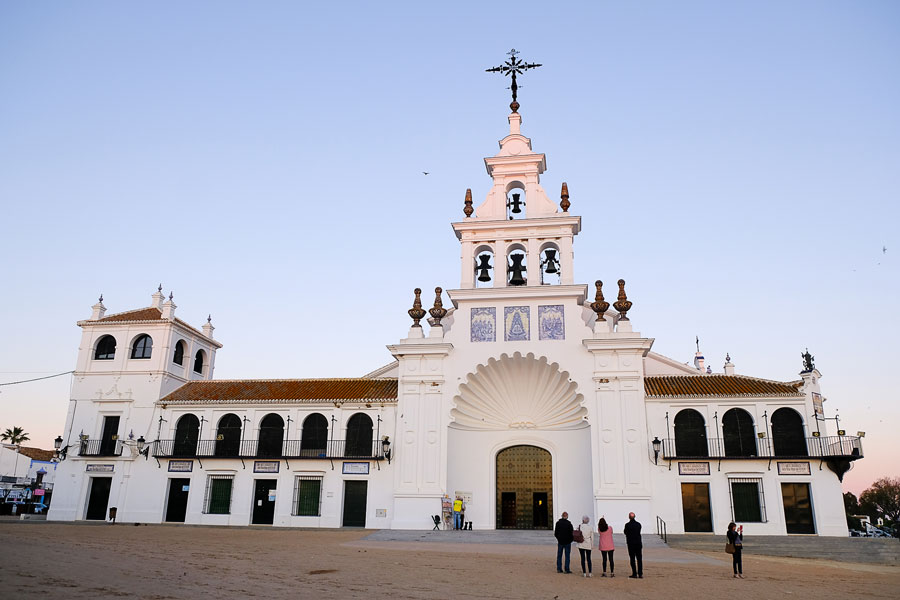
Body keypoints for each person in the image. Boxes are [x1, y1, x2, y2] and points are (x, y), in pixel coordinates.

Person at [623, 512, 643, 578]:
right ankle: (640, 573)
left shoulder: (627, 525)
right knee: (639, 559)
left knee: (632, 559)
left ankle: (634, 573)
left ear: (629, 517)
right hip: (638, 543)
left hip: (631, 543)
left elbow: (625, 532)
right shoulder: (638, 524)